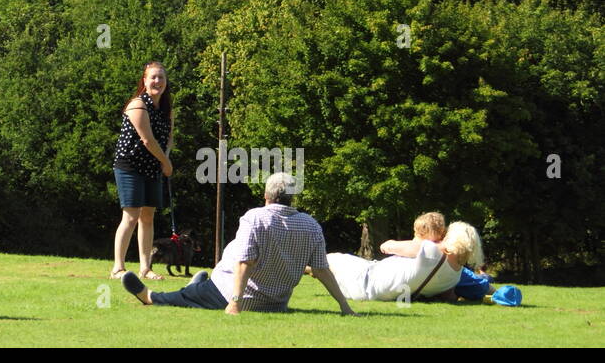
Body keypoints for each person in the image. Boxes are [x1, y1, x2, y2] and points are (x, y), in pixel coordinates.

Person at [122, 172, 357, 315]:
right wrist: (345, 307)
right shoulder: (311, 225)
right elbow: (321, 270)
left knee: (182, 298)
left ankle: (150, 297)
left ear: (266, 196)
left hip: (235, 295)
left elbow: (245, 262)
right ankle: (197, 285)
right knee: (200, 289)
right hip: (276, 303)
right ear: (293, 197)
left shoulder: (255, 217)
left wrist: (235, 303)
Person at [111, 62, 173, 280]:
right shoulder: (138, 105)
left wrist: (164, 159)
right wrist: (166, 163)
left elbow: (168, 138)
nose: (157, 82)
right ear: (144, 81)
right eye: (153, 77)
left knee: (148, 216)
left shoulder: (165, 109)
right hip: (130, 165)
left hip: (152, 166)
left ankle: (145, 268)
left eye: (161, 78)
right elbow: (148, 140)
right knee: (131, 215)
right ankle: (118, 268)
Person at [325, 219, 483, 302]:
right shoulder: (456, 275)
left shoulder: (431, 251)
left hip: (365, 279)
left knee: (329, 259)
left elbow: (389, 246)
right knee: (325, 266)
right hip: (375, 289)